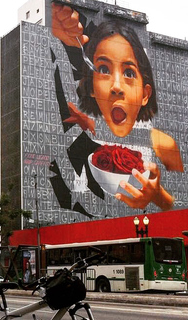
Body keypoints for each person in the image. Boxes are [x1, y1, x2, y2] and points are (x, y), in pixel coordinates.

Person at [51, 3, 182, 211]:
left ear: (145, 94)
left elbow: (180, 212)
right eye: (103, 69)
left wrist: (160, 198)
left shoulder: (164, 146)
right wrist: (52, 34)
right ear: (92, 87)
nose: (117, 87)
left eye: (129, 73)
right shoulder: (80, 137)